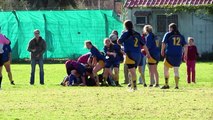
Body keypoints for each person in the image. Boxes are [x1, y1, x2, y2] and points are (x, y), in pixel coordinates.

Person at [118, 20, 150, 91]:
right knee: (132, 71)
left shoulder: (126, 33)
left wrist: (123, 45)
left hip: (130, 54)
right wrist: (148, 53)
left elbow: (119, 41)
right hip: (138, 55)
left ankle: (134, 87)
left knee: (132, 71)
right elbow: (144, 45)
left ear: (125, 26)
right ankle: (131, 85)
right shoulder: (137, 34)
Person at [161, 23, 187, 89]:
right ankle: (176, 85)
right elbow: (185, 46)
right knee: (176, 70)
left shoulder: (168, 34)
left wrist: (162, 50)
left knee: (166, 69)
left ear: (171, 28)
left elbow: (163, 43)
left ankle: (166, 84)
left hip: (170, 54)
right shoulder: (181, 36)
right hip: (178, 55)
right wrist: (185, 54)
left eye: (169, 28)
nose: (168, 29)